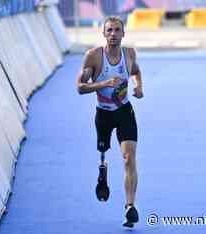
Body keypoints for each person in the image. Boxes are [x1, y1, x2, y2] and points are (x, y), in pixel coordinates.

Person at [76, 16, 143, 228]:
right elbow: (80, 87)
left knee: (128, 157)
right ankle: (102, 166)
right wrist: (104, 83)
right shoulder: (93, 57)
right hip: (103, 114)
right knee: (103, 149)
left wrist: (138, 86)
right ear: (104, 34)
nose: (113, 34)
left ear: (123, 34)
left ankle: (130, 207)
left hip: (124, 111)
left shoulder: (129, 53)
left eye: (117, 30)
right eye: (109, 31)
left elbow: (136, 71)